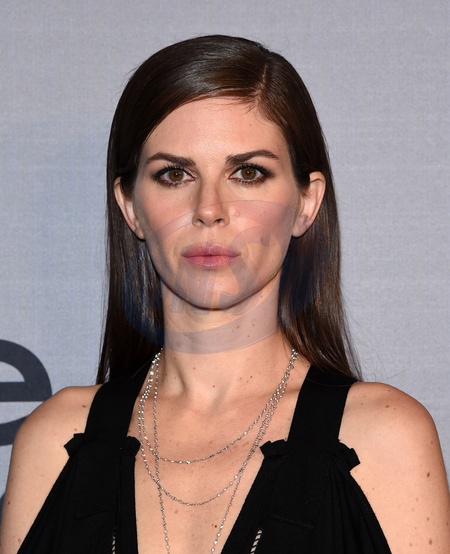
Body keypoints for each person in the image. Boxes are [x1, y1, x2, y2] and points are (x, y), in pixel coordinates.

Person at [0, 35, 449, 554]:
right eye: (174, 174)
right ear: (131, 207)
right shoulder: (54, 442)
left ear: (307, 202)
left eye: (248, 173)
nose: (209, 209)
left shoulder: (384, 439)